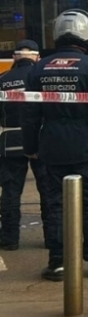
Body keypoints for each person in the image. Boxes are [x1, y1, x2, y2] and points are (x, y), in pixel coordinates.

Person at [21, 10, 88, 282]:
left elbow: (31, 116)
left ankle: (58, 263)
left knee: (56, 206)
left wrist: (30, 147)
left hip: (52, 147)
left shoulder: (38, 68)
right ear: (86, 34)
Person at [0, 40, 47, 251]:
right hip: (41, 141)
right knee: (48, 191)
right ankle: (53, 238)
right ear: (37, 58)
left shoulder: (3, 80)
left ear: (14, 58)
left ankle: (9, 239)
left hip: (11, 143)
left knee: (10, 192)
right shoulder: (42, 79)